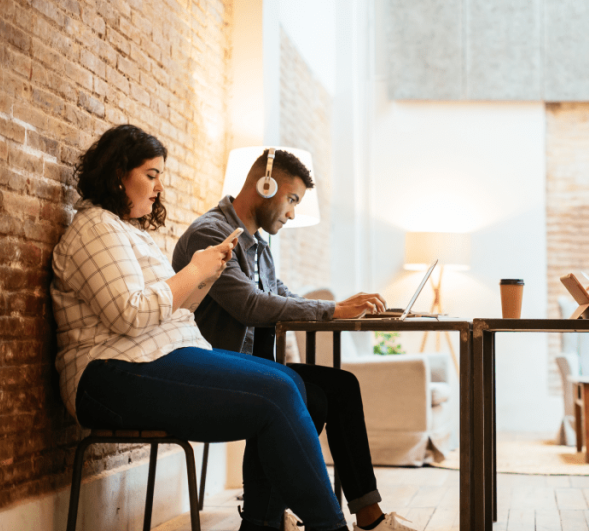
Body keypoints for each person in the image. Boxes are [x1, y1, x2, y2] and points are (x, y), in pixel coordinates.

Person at [51, 125, 355, 531]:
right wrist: (193, 270)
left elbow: (171, 312)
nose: (159, 186)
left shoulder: (126, 231)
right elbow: (128, 313)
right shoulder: (94, 228)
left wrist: (203, 278)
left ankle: (264, 525)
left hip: (150, 357)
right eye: (151, 174)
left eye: (161, 175)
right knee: (281, 389)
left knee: (290, 383)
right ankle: (330, 527)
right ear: (118, 173)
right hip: (108, 374)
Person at [172, 150, 415, 531]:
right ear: (264, 186)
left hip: (256, 366)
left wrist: (351, 307)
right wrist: (333, 309)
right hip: (213, 367)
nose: (293, 212)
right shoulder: (212, 233)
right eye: (292, 199)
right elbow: (250, 306)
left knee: (342, 386)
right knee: (306, 394)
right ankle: (262, 517)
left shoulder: (259, 247)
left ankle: (367, 515)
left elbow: (284, 296)